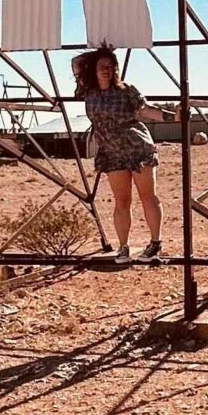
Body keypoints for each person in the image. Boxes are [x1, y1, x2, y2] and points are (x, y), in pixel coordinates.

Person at [72, 45, 163, 264]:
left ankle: (155, 243)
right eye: (102, 66)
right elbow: (76, 62)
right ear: (93, 69)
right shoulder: (88, 92)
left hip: (137, 148)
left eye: (110, 66)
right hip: (112, 153)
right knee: (121, 201)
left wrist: (172, 116)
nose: (106, 70)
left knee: (147, 196)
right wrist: (103, 48)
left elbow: (145, 110)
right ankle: (124, 247)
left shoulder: (126, 90)